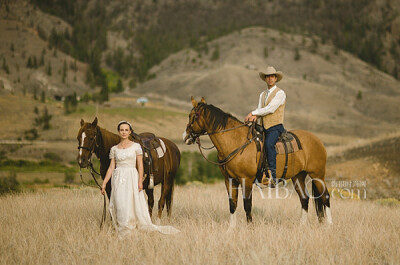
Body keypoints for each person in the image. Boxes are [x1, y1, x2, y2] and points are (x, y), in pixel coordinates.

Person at [101, 121, 180, 238]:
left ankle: (131, 227)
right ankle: (121, 227)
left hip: (131, 176)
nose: (124, 132)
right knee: (120, 203)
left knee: (130, 202)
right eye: (122, 130)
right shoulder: (114, 149)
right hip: (118, 179)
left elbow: (140, 165)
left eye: (126, 130)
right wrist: (104, 183)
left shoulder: (136, 147)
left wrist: (139, 182)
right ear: (118, 132)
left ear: (130, 132)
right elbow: (112, 167)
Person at [245, 66, 286, 188]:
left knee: (268, 144)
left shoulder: (280, 93)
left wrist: (253, 113)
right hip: (263, 126)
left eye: (272, 76)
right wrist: (253, 117)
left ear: (276, 78)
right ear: (265, 79)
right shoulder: (262, 94)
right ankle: (256, 174)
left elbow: (270, 109)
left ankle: (272, 176)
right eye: (268, 76)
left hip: (275, 126)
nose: (270, 78)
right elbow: (260, 109)